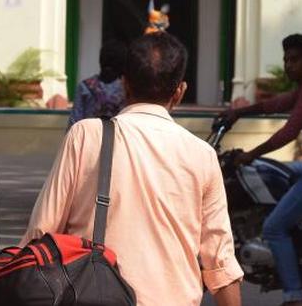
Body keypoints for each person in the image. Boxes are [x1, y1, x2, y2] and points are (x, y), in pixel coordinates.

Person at [23, 33, 243, 306]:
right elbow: (221, 263)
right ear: (180, 91)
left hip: (93, 297)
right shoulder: (202, 155)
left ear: (124, 83)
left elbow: (41, 232)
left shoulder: (86, 135)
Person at [217, 33, 302, 306]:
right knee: (278, 171)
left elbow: (289, 131)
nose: (289, 65)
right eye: (286, 59)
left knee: (274, 227)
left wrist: (250, 154)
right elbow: (275, 104)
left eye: (295, 60)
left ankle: (294, 296)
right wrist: (239, 112)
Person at [68, 39, 128, 127]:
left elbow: (74, 121)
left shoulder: (85, 86)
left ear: (100, 60)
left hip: (89, 134)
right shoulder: (127, 90)